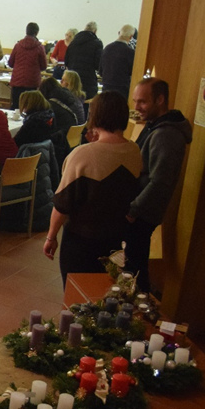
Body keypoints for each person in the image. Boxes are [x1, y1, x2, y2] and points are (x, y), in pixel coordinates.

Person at [43, 91, 143, 286]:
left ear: (95, 116)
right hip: (116, 240)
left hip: (82, 242)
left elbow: (63, 204)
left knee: (77, 294)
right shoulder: (134, 151)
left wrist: (51, 237)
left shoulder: (82, 155)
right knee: (106, 292)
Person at [125, 78, 192, 293]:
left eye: (142, 102)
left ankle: (139, 302)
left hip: (142, 212)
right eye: (135, 101)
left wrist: (133, 210)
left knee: (135, 268)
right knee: (134, 261)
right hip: (140, 209)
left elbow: (160, 181)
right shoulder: (155, 126)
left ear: (160, 100)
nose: (136, 107)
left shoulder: (166, 134)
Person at [8, 22, 47, 109]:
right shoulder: (40, 47)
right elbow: (44, 66)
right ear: (36, 33)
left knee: (16, 106)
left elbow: (10, 63)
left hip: (17, 81)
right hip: (32, 82)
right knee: (30, 107)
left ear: (26, 31)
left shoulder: (18, 45)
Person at [64, 21, 103, 100]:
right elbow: (98, 64)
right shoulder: (97, 43)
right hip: (88, 81)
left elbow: (66, 61)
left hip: (73, 80)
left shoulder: (73, 42)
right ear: (95, 31)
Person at [100, 25, 137, 99]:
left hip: (106, 89)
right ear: (131, 37)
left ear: (119, 33)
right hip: (122, 91)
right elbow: (133, 73)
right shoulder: (130, 52)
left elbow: (101, 70)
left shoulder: (107, 48)